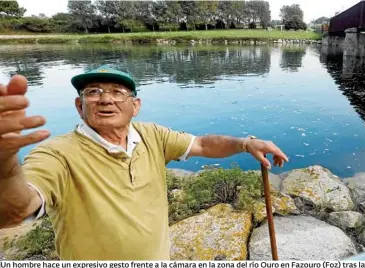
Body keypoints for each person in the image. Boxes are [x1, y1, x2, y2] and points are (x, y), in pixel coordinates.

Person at [0, 65, 289, 260]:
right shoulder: (57, 154)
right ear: (80, 106)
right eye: (93, 92)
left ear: (135, 106)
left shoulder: (152, 135)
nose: (105, 99)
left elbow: (201, 144)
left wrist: (244, 143)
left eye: (116, 92)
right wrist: (6, 165)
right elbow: (17, 209)